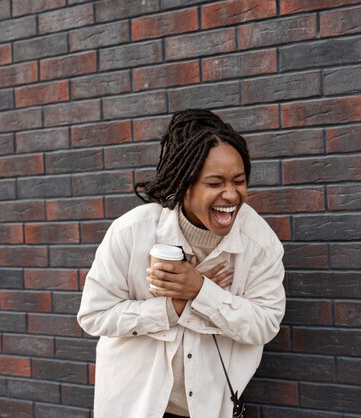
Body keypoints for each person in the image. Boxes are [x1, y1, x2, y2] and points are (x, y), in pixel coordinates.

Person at [77, 109, 286, 418]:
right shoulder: (132, 232)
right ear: (185, 183)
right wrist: (171, 306)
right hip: (135, 406)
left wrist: (200, 289)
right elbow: (94, 316)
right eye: (215, 183)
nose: (231, 194)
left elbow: (265, 324)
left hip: (208, 410)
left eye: (239, 181)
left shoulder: (260, 244)